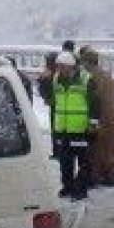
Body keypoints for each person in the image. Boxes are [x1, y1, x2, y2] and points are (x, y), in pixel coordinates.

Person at [38, 51, 99, 200]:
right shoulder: (56, 79)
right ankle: (68, 186)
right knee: (65, 161)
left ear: (71, 66)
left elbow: (95, 103)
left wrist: (93, 123)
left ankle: (81, 189)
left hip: (81, 128)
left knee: (84, 162)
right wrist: (43, 82)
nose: (59, 69)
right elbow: (49, 99)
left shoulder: (86, 79)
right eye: (58, 66)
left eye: (62, 66)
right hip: (63, 128)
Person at [79, 46, 114, 187]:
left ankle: (95, 177)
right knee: (110, 148)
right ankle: (110, 177)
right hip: (111, 117)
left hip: (99, 117)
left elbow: (92, 100)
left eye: (83, 61)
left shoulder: (90, 77)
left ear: (88, 62)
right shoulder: (107, 75)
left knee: (96, 148)